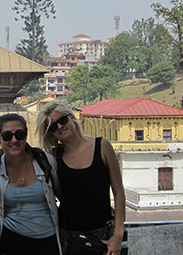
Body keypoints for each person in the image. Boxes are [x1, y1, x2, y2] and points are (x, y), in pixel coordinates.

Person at [37, 100, 126, 255]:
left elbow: (118, 191)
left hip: (103, 234)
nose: (60, 126)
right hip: (68, 237)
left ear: (71, 117)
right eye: (52, 127)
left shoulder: (102, 146)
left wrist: (118, 233)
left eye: (63, 120)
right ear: (50, 133)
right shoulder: (54, 156)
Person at [0, 113, 62, 255]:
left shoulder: (45, 162)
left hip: (47, 239)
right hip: (10, 240)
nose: (14, 140)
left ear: (26, 136)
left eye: (20, 134)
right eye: (7, 136)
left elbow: (65, 195)